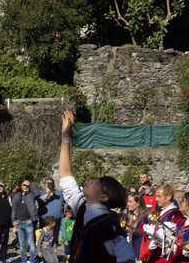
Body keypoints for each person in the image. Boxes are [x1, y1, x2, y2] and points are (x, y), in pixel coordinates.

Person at [57, 110, 135, 263]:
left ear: (104, 197)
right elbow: (65, 175)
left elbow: (128, 257)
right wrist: (66, 137)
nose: (92, 180)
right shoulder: (82, 205)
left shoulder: (109, 226)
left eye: (98, 182)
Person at [11, 181, 38, 263]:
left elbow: (38, 193)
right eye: (24, 185)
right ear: (21, 186)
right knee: (22, 244)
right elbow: (14, 209)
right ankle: (23, 260)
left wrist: (30, 184)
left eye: (27, 185)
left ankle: (32, 260)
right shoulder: (17, 196)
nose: (25, 186)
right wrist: (13, 220)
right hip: (19, 222)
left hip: (28, 221)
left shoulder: (31, 195)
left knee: (31, 242)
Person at [39, 180, 65, 263]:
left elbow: (64, 203)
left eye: (51, 183)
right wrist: (47, 193)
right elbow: (40, 201)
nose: (49, 185)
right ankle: (42, 257)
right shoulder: (41, 192)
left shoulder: (59, 193)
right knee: (43, 239)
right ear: (45, 184)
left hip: (56, 220)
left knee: (54, 238)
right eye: (48, 183)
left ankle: (53, 254)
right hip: (45, 220)